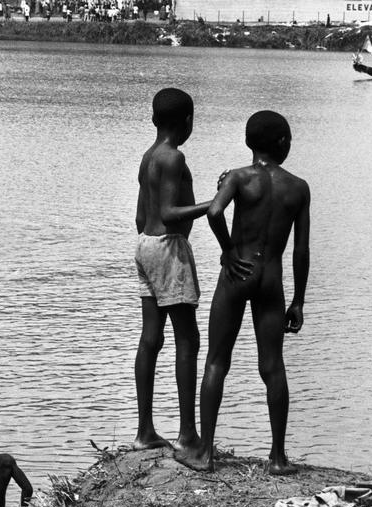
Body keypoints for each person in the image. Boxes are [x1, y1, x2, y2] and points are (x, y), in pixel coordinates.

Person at [175, 110, 310, 475]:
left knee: (217, 361)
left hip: (237, 274)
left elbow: (214, 212)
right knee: (273, 365)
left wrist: (229, 251)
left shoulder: (238, 177)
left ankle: (205, 454)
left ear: (250, 142)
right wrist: (298, 300)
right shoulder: (298, 187)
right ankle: (278, 458)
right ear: (282, 143)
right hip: (270, 278)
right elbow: (300, 249)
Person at [132, 88, 246, 451]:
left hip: (145, 246)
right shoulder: (173, 157)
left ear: (154, 119)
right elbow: (169, 213)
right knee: (188, 339)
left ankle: (144, 432)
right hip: (168, 247)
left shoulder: (149, 156)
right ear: (188, 121)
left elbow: (142, 216)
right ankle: (187, 435)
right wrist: (216, 201)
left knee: (151, 338)